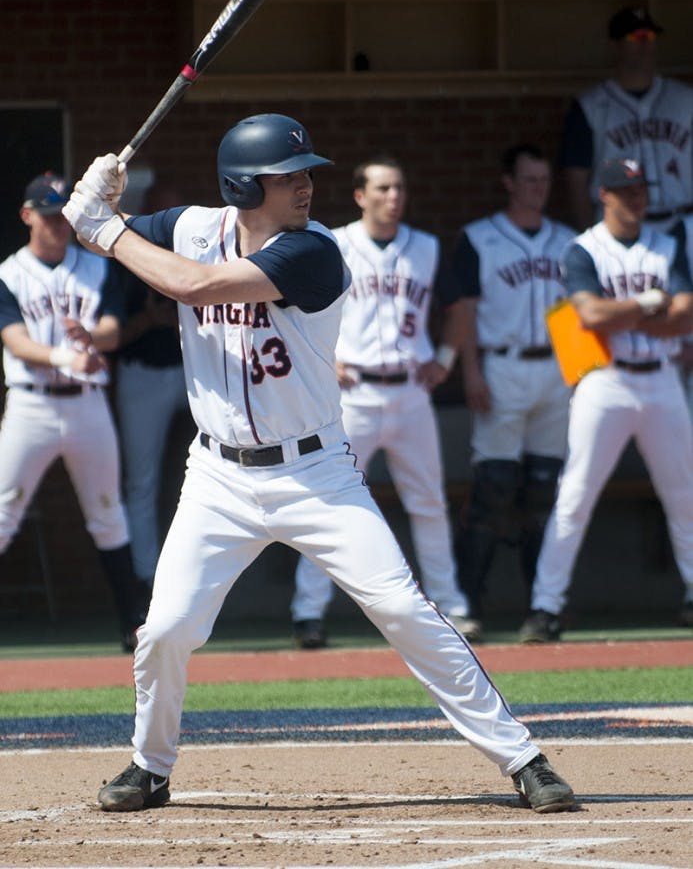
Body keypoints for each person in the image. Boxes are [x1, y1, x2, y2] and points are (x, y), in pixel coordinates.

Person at [61, 113, 575, 815]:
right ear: (244, 186)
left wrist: (105, 229)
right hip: (217, 477)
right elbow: (130, 239)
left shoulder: (313, 251)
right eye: (288, 177)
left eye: (306, 174)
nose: (306, 186)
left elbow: (192, 286)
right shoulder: (192, 226)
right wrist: (101, 203)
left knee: (401, 606)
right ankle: (150, 767)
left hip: (315, 473)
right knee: (166, 630)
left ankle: (522, 757)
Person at [290, 155, 476, 649]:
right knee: (327, 503)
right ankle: (308, 613)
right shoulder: (333, 243)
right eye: (383, 189)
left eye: (398, 189)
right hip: (352, 394)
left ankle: (451, 604)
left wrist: (448, 357)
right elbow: (292, 309)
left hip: (411, 389)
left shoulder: (427, 248)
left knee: (429, 501)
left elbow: (459, 308)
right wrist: (320, 361)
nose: (393, 198)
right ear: (360, 196)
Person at [519, 156, 693, 643]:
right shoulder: (583, 249)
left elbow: (686, 316)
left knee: (685, 495)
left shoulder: (666, 243)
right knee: (574, 496)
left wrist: (632, 315)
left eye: (640, 190)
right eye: (625, 190)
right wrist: (648, 304)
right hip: (605, 381)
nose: (635, 198)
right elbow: (591, 314)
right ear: (605, 194)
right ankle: (545, 607)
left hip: (660, 378)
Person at [0, 172, 145, 651]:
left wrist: (91, 339)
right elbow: (16, 342)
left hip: (87, 406)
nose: (57, 225)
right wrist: (68, 355)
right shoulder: (8, 273)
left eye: (63, 215)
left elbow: (111, 329)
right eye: (47, 216)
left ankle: (132, 624)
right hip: (31, 404)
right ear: (26, 216)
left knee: (108, 513)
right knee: (3, 513)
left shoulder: (96, 267)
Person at [450, 144, 574, 638]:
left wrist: (576, 375)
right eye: (529, 180)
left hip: (554, 371)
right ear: (509, 183)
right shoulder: (481, 238)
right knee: (493, 490)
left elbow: (572, 313)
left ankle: (541, 609)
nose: (537, 189)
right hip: (501, 366)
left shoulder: (567, 240)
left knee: (544, 491)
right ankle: (468, 605)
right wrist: (472, 373)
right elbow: (465, 311)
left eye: (543, 180)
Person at [114, 180, 192, 590]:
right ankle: (147, 579)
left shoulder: (198, 256)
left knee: (229, 466)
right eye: (159, 215)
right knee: (141, 482)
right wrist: (150, 320)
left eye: (173, 215)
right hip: (142, 373)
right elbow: (108, 336)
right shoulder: (126, 259)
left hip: (195, 375)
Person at [559, 4, 693, 232]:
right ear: (615, 45)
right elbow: (576, 181)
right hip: (619, 230)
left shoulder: (685, 99)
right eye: (636, 36)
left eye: (650, 36)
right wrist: (589, 236)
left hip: (683, 222)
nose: (645, 44)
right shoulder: (590, 106)